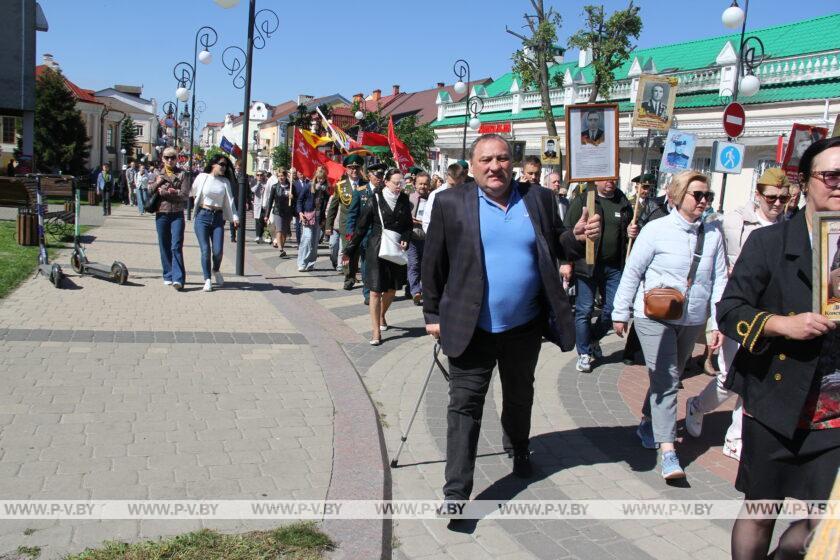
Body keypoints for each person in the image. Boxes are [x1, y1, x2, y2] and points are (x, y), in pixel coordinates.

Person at [422, 134, 601, 505]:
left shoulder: (538, 198)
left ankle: (519, 446)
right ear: (472, 166)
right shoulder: (450, 202)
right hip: (471, 329)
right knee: (464, 407)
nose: (495, 167)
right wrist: (432, 313)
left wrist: (576, 236)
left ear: (512, 163)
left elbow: (555, 243)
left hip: (524, 327)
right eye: (486, 160)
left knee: (520, 396)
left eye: (502, 158)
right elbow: (433, 263)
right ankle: (456, 491)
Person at [716, 137, 840, 560]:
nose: (839, 186)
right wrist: (781, 324)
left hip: (834, 413)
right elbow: (730, 310)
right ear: (805, 182)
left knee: (827, 518)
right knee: (762, 507)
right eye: (831, 176)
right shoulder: (770, 242)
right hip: (777, 402)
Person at [611, 170, 727, 479]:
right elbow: (633, 271)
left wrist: (716, 323)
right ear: (676, 196)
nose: (704, 201)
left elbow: (719, 282)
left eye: (708, 196)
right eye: (698, 195)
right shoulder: (656, 229)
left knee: (669, 377)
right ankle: (668, 451)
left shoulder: (713, 234)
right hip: (654, 316)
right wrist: (620, 312)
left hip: (691, 318)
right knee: (667, 377)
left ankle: (649, 420)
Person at [684, 168, 791, 462]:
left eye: (784, 197)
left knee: (754, 378)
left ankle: (736, 438)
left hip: (771, 315)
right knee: (730, 376)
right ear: (758, 195)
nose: (778, 204)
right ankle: (697, 405)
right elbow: (716, 263)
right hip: (740, 310)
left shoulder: (791, 225)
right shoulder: (733, 221)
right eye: (772, 197)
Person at [562, 178, 634, 372]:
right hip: (586, 266)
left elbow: (628, 234)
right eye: (606, 178)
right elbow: (567, 232)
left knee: (613, 309)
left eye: (614, 178)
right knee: (584, 310)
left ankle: (592, 337)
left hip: (614, 267)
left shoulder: (622, 201)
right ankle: (584, 352)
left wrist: (631, 232)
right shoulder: (584, 200)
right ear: (597, 179)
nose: (611, 182)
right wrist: (565, 263)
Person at [344, 168, 413, 346]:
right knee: (375, 291)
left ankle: (382, 314)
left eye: (402, 183)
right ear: (387, 182)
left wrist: (406, 237)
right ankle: (375, 331)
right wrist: (350, 249)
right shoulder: (375, 199)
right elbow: (361, 226)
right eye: (396, 183)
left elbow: (408, 225)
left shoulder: (404, 200)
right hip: (376, 248)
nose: (399, 187)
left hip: (395, 248)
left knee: (391, 289)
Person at [191, 154, 239, 292]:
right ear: (213, 164)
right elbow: (193, 191)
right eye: (221, 164)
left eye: (226, 165)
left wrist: (235, 218)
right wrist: (198, 203)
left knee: (218, 251)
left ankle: (216, 270)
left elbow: (230, 202)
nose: (224, 167)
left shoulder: (225, 182)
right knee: (205, 250)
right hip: (202, 216)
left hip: (218, 218)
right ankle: (207, 279)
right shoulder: (202, 177)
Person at [150, 147, 190, 290]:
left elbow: (185, 195)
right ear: (162, 158)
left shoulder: (183, 174)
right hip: (161, 213)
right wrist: (158, 182)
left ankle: (178, 278)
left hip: (177, 214)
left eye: (173, 157)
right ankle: (168, 274)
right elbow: (149, 190)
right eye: (167, 157)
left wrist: (169, 193)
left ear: (177, 158)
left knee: (176, 246)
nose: (170, 160)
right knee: (164, 245)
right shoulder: (156, 173)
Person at [345, 162, 380, 304]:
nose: (380, 178)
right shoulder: (360, 191)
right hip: (365, 235)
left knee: (379, 264)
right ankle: (367, 293)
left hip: (381, 235)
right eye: (377, 175)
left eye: (382, 175)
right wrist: (350, 233)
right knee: (366, 264)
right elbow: (352, 214)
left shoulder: (384, 191)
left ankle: (377, 289)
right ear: (370, 175)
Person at [327, 155, 366, 282]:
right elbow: (333, 207)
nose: (354, 170)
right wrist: (329, 225)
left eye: (356, 167)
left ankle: (354, 273)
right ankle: (349, 277)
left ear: (360, 169)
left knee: (358, 252)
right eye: (351, 168)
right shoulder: (340, 186)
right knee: (348, 250)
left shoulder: (366, 185)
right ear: (347, 169)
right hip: (346, 225)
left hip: (362, 224)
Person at [297, 166, 329, 272]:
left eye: (323, 178)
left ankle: (310, 263)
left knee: (315, 242)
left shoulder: (325, 190)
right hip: (307, 216)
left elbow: (325, 206)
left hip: (319, 217)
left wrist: (324, 219)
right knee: (307, 238)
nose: (321, 180)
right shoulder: (308, 186)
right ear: (316, 177)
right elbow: (300, 200)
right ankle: (302, 263)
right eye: (319, 178)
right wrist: (300, 213)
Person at [422, 163, 467, 234]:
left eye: (458, 185)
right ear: (447, 177)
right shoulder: (435, 195)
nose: (454, 189)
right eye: (451, 185)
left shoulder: (468, 195)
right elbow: (426, 222)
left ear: (463, 179)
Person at [407, 172, 431, 305]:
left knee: (425, 266)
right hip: (412, 237)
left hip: (428, 238)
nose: (423, 186)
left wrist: (424, 222)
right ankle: (416, 291)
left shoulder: (433, 198)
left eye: (425, 184)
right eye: (420, 183)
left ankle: (419, 289)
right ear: (415, 184)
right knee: (413, 264)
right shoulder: (409, 197)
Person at [265, 167, 293, 257]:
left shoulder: (291, 186)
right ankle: (280, 249)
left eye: (283, 176)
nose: (281, 178)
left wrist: (292, 197)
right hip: (277, 211)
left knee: (284, 231)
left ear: (285, 176)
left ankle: (282, 246)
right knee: (279, 230)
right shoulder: (274, 187)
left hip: (287, 211)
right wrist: (267, 214)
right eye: (279, 176)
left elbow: (296, 200)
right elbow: (270, 201)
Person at [251, 170, 269, 243]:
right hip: (257, 204)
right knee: (258, 220)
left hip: (265, 204)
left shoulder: (267, 183)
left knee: (265, 220)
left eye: (261, 175)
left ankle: (266, 236)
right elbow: (253, 190)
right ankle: (258, 236)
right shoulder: (254, 182)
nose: (259, 176)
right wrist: (258, 183)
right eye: (258, 175)